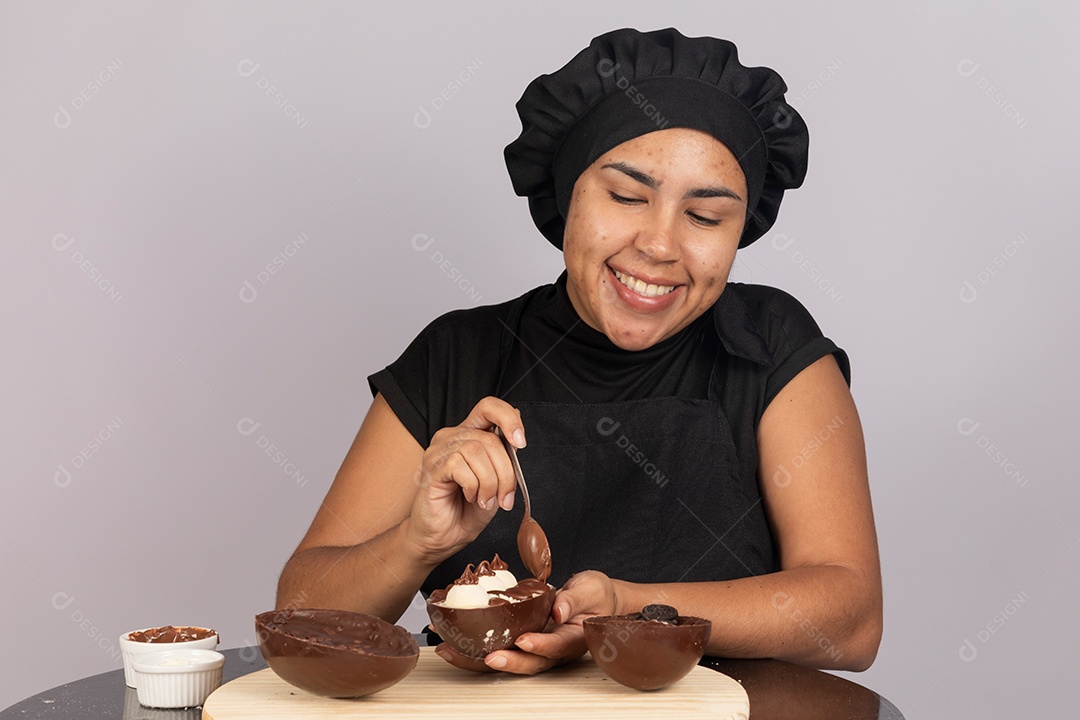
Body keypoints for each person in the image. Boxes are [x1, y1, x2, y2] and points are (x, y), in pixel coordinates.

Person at [276, 27, 882, 674]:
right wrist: (414, 544)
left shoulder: (771, 346)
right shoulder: (457, 355)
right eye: (626, 197)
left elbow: (850, 620)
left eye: (705, 217)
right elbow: (300, 615)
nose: (659, 244)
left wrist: (627, 611)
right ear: (567, 195)